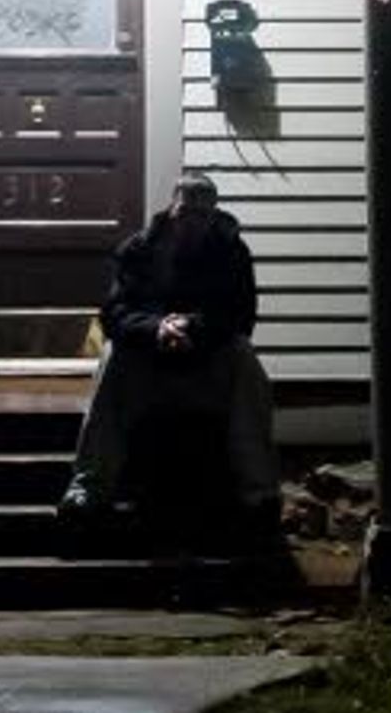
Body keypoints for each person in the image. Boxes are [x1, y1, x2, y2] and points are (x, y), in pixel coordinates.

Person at [62, 171, 278, 543]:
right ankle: (89, 487)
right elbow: (113, 314)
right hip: (148, 362)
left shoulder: (231, 252)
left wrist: (190, 328)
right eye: (185, 214)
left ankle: (260, 493)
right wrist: (156, 328)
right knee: (113, 357)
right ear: (171, 209)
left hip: (205, 361)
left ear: (213, 216)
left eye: (202, 216)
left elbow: (240, 316)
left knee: (244, 359)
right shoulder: (139, 249)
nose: (192, 224)